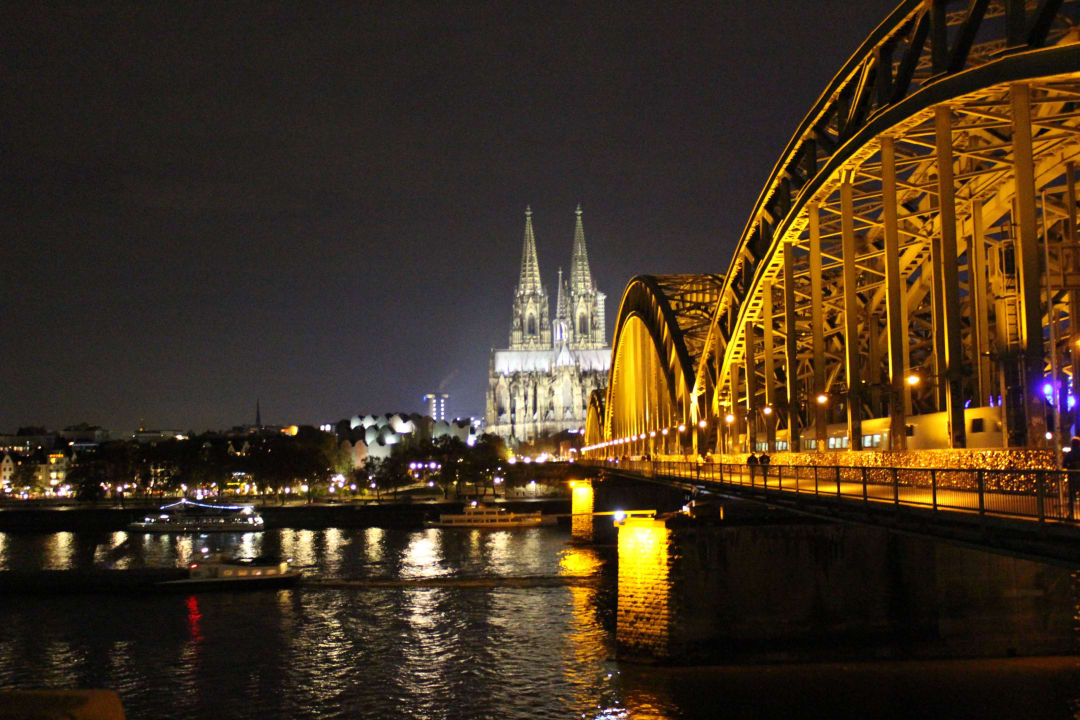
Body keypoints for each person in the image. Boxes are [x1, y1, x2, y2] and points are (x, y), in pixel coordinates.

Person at [1064, 437, 1080, 520]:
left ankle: (1071, 514)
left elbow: (1064, 464)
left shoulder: (1069, 454)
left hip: (1072, 477)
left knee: (1071, 497)